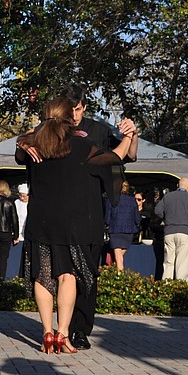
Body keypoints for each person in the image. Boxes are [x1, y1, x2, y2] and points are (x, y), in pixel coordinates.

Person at [15, 97, 130, 354]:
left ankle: (45, 331)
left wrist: (23, 140)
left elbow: (21, 146)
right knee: (68, 276)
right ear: (70, 118)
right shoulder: (82, 146)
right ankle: (62, 334)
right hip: (72, 222)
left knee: (43, 276)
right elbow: (114, 158)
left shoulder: (34, 146)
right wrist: (129, 137)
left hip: (41, 219)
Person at [62, 83, 139, 350]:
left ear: (85, 106)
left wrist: (132, 133)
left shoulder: (99, 130)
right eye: (70, 110)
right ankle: (59, 329)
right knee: (61, 274)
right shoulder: (54, 129)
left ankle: (80, 330)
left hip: (91, 213)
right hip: (60, 212)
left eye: (79, 109)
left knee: (87, 274)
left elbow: (128, 154)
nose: (74, 116)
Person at [154, 177, 188, 280]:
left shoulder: (167, 197)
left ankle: (166, 287)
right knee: (182, 264)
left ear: (177, 185)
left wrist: (166, 217)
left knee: (168, 262)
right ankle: (180, 289)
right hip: (185, 232)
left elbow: (157, 211)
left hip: (169, 232)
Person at [105, 181, 141, 270]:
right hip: (128, 231)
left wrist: (107, 224)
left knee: (118, 258)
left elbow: (107, 219)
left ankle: (119, 278)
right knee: (119, 256)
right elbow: (137, 219)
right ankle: (116, 272)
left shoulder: (111, 200)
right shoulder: (132, 201)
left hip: (115, 230)